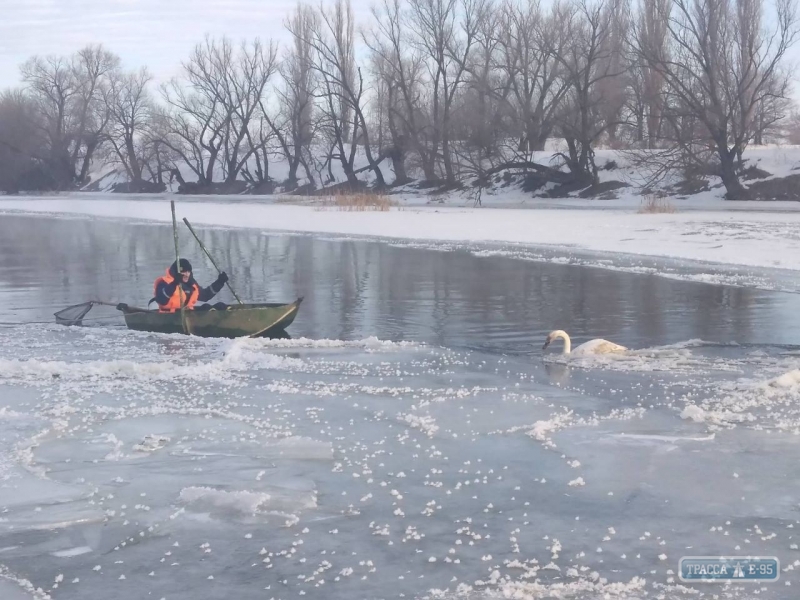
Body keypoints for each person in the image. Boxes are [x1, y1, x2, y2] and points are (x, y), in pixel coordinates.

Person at [151, 259, 229, 313]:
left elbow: (205, 296)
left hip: (189, 315)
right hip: (170, 316)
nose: (187, 274)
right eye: (183, 272)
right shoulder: (164, 282)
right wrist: (174, 283)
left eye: (188, 271)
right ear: (176, 272)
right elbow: (161, 300)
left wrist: (220, 282)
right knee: (206, 308)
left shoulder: (191, 283)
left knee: (219, 306)